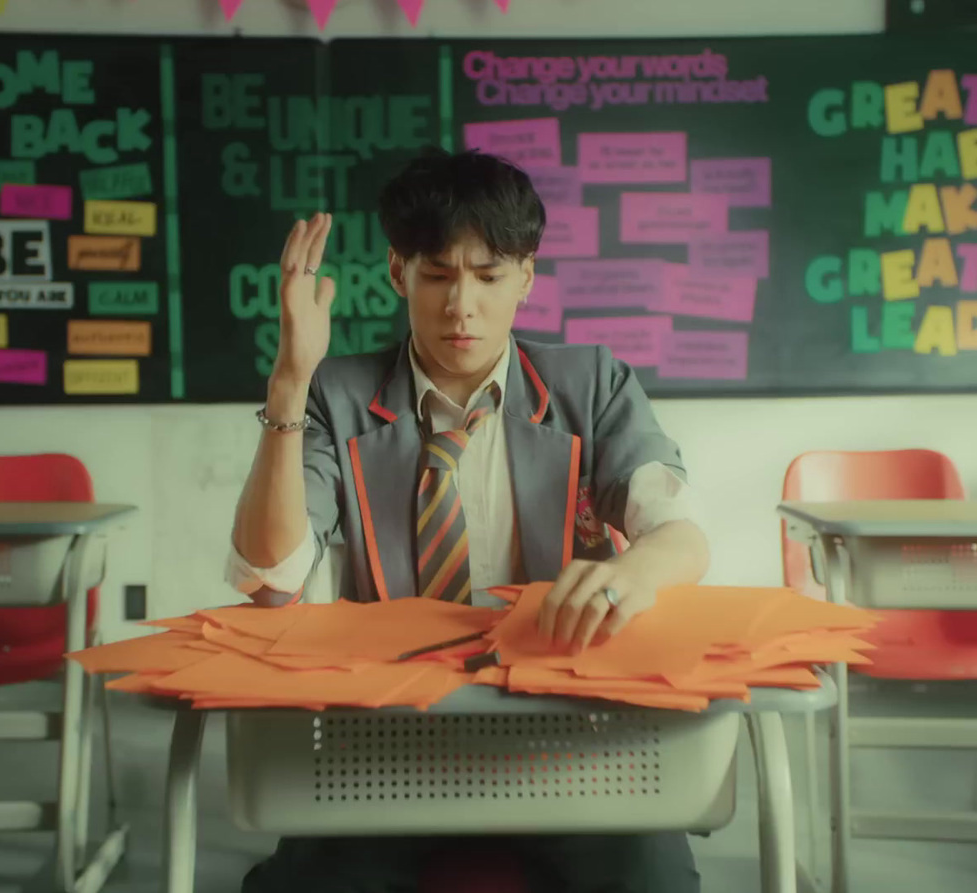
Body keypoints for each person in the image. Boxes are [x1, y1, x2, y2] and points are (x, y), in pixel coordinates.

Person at [227, 149, 711, 892]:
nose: (462, 306)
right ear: (397, 273)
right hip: (390, 738)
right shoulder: (338, 392)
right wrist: (289, 382)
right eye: (437, 275)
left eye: (488, 276)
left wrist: (630, 571)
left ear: (526, 277)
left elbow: (677, 533)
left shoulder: (592, 384)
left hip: (568, 734)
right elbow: (269, 581)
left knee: (658, 883)